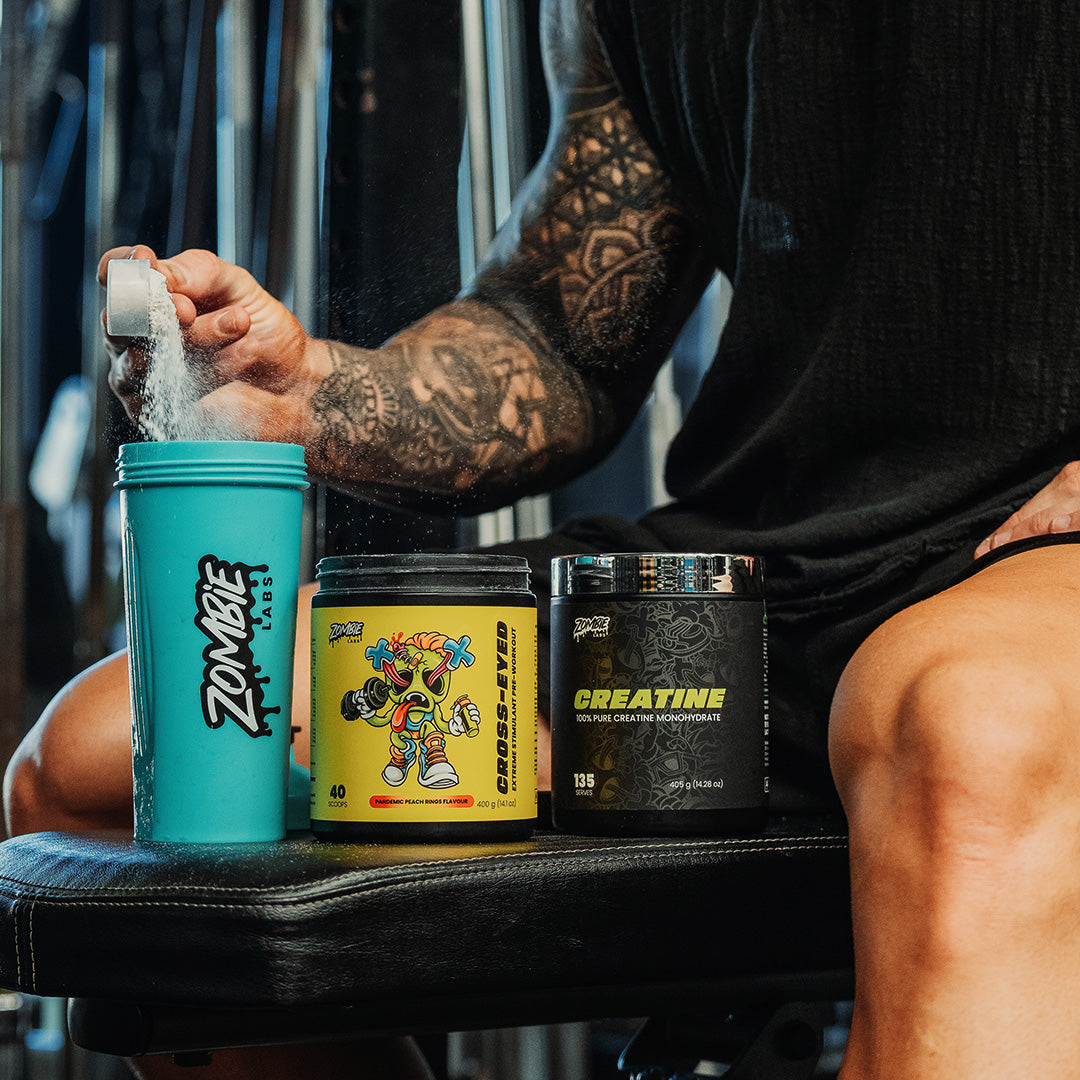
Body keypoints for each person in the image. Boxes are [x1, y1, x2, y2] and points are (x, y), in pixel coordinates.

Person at [8, 0, 1080, 1076]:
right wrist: (309, 397)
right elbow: (563, 332)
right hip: (743, 584)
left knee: (967, 726)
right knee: (98, 765)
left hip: (1029, 554)